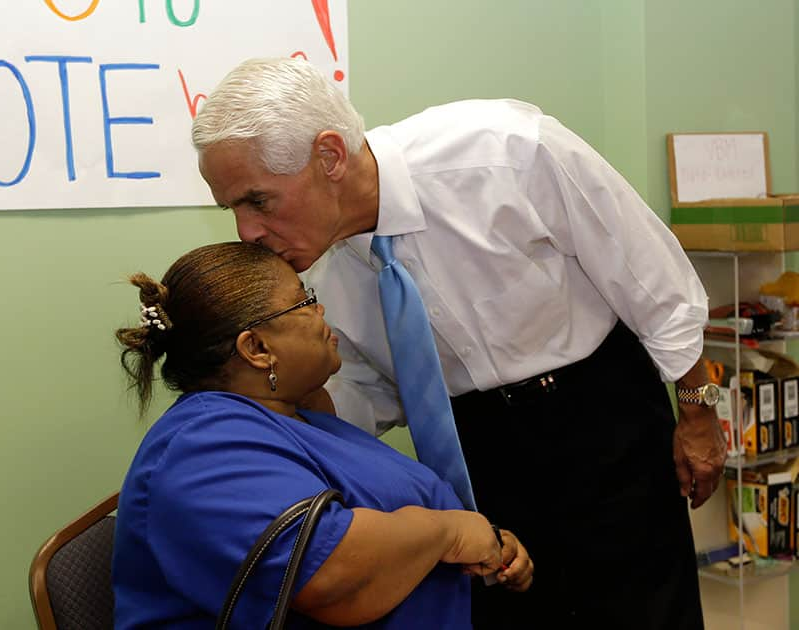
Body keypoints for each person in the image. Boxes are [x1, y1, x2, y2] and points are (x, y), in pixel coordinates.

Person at [190, 57, 726, 629]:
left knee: (645, 610)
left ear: (329, 157)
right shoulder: (309, 282)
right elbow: (365, 394)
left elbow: (651, 277)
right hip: (475, 455)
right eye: (232, 208)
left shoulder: (504, 153)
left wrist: (698, 412)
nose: (245, 232)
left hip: (599, 415)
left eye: (258, 201)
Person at [111, 241, 533, 630]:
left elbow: (392, 513)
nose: (321, 310)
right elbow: (330, 575)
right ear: (256, 348)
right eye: (304, 301)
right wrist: (450, 534)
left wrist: (485, 544)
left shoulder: (295, 417)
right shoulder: (201, 449)